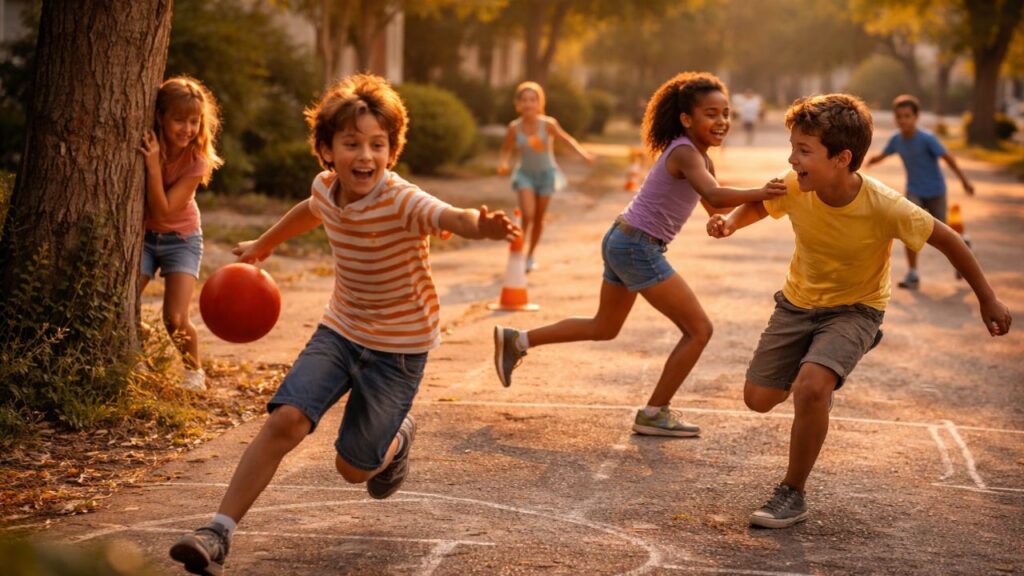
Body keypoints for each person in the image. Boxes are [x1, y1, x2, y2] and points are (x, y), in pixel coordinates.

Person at [168, 74, 520, 575]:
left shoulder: (403, 201)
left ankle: (396, 439)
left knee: (353, 468)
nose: (365, 156)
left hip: (399, 349)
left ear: (392, 152)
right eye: (351, 143)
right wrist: (265, 245)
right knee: (285, 420)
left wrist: (478, 226)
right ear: (327, 150)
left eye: (378, 145)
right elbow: (311, 211)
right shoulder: (326, 189)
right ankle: (217, 532)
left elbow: (450, 214)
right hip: (341, 330)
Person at [706, 94, 1011, 529]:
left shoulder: (885, 205)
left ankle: (792, 492)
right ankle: (822, 366)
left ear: (842, 158)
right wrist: (731, 223)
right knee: (759, 400)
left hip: (856, 309)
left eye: (804, 151)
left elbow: (949, 239)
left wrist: (987, 298)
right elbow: (760, 202)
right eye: (793, 148)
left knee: (812, 388)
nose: (792, 159)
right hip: (797, 304)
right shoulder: (797, 185)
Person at [494, 72, 786, 437]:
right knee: (699, 330)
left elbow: (714, 206)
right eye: (711, 113)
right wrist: (762, 190)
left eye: (726, 113)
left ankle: (517, 340)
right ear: (686, 119)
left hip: (623, 239)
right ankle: (654, 412)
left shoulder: (699, 158)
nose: (722, 121)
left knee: (604, 326)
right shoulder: (684, 151)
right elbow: (716, 194)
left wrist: (722, 225)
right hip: (637, 245)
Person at [138, 76, 224, 392]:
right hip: (143, 239)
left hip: (182, 239)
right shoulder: (149, 142)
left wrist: (152, 167)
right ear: (160, 116)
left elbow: (163, 212)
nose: (187, 129)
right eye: (178, 120)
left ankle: (194, 373)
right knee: (121, 299)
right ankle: (138, 337)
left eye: (194, 121)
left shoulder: (196, 159)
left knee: (174, 318)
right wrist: (153, 158)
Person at [866, 94, 975, 290]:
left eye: (907, 116)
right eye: (899, 116)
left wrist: (965, 181)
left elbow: (948, 158)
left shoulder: (927, 139)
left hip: (935, 191)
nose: (903, 120)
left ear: (916, 117)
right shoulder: (897, 140)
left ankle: (963, 252)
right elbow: (884, 154)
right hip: (914, 191)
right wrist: (872, 161)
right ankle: (913, 273)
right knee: (910, 229)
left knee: (945, 235)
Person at [498, 81, 594, 273]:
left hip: (546, 175)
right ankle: (519, 251)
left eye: (532, 100)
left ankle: (530, 255)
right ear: (518, 104)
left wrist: (583, 155)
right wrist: (503, 163)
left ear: (539, 103)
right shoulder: (514, 127)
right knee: (527, 214)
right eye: (524, 100)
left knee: (539, 218)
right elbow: (506, 148)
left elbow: (566, 140)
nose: (528, 104)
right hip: (525, 175)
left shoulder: (548, 124)